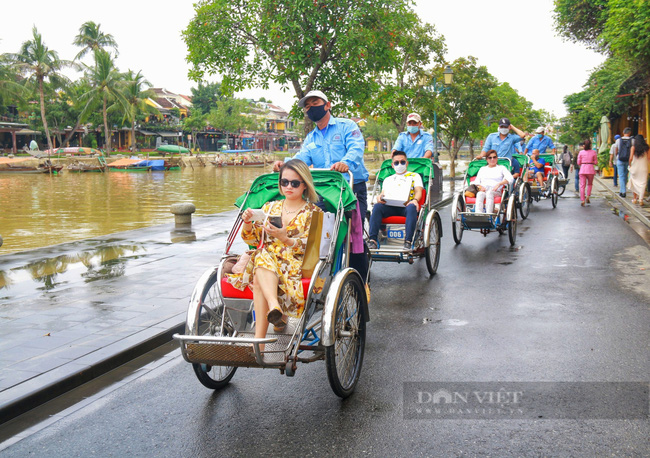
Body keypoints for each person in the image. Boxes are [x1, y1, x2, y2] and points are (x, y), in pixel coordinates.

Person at [272, 90, 369, 281]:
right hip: (323, 191)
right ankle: (315, 274)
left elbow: (356, 147)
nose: (310, 108)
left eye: (314, 103)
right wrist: (285, 165)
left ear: (327, 104)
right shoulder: (311, 138)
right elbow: (301, 158)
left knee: (354, 236)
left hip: (351, 189)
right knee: (313, 230)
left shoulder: (346, 126)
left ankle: (362, 283)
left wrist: (346, 162)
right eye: (307, 106)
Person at [227, 160, 322, 338]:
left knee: (259, 269)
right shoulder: (270, 208)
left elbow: (313, 249)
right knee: (262, 254)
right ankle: (274, 307)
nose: (288, 187)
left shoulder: (314, 213)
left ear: (305, 185)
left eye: (294, 183)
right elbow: (254, 239)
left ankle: (259, 341)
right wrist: (247, 222)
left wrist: (284, 238)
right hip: (267, 258)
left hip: (295, 264)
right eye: (284, 182)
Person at [367, 151, 424, 250]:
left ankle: (408, 241)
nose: (399, 164)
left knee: (412, 207)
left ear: (407, 163)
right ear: (392, 165)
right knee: (377, 207)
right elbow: (383, 193)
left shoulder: (415, 176)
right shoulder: (388, 179)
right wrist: (379, 197)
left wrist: (415, 200)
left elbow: (418, 191)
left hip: (407, 207)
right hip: (390, 207)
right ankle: (373, 240)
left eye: (402, 162)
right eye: (396, 163)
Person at [628, 134, 649, 206]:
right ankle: (641, 199)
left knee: (634, 182)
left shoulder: (633, 147)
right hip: (644, 167)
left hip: (635, 168)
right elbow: (649, 158)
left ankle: (634, 199)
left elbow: (630, 158)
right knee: (643, 183)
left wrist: (629, 164)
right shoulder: (647, 148)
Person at [612, 127, 634, 197]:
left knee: (621, 176)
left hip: (620, 159)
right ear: (629, 133)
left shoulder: (618, 140)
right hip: (628, 160)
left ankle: (623, 191)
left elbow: (616, 150)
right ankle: (623, 190)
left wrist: (617, 155)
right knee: (625, 175)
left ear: (623, 132)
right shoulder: (632, 140)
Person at [577, 138, 597, 206]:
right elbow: (596, 162)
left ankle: (582, 199)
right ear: (590, 145)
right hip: (590, 169)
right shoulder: (593, 152)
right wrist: (591, 161)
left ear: (584, 145)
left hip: (582, 169)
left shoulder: (581, 152)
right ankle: (588, 196)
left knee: (582, 185)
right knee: (590, 184)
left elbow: (578, 162)